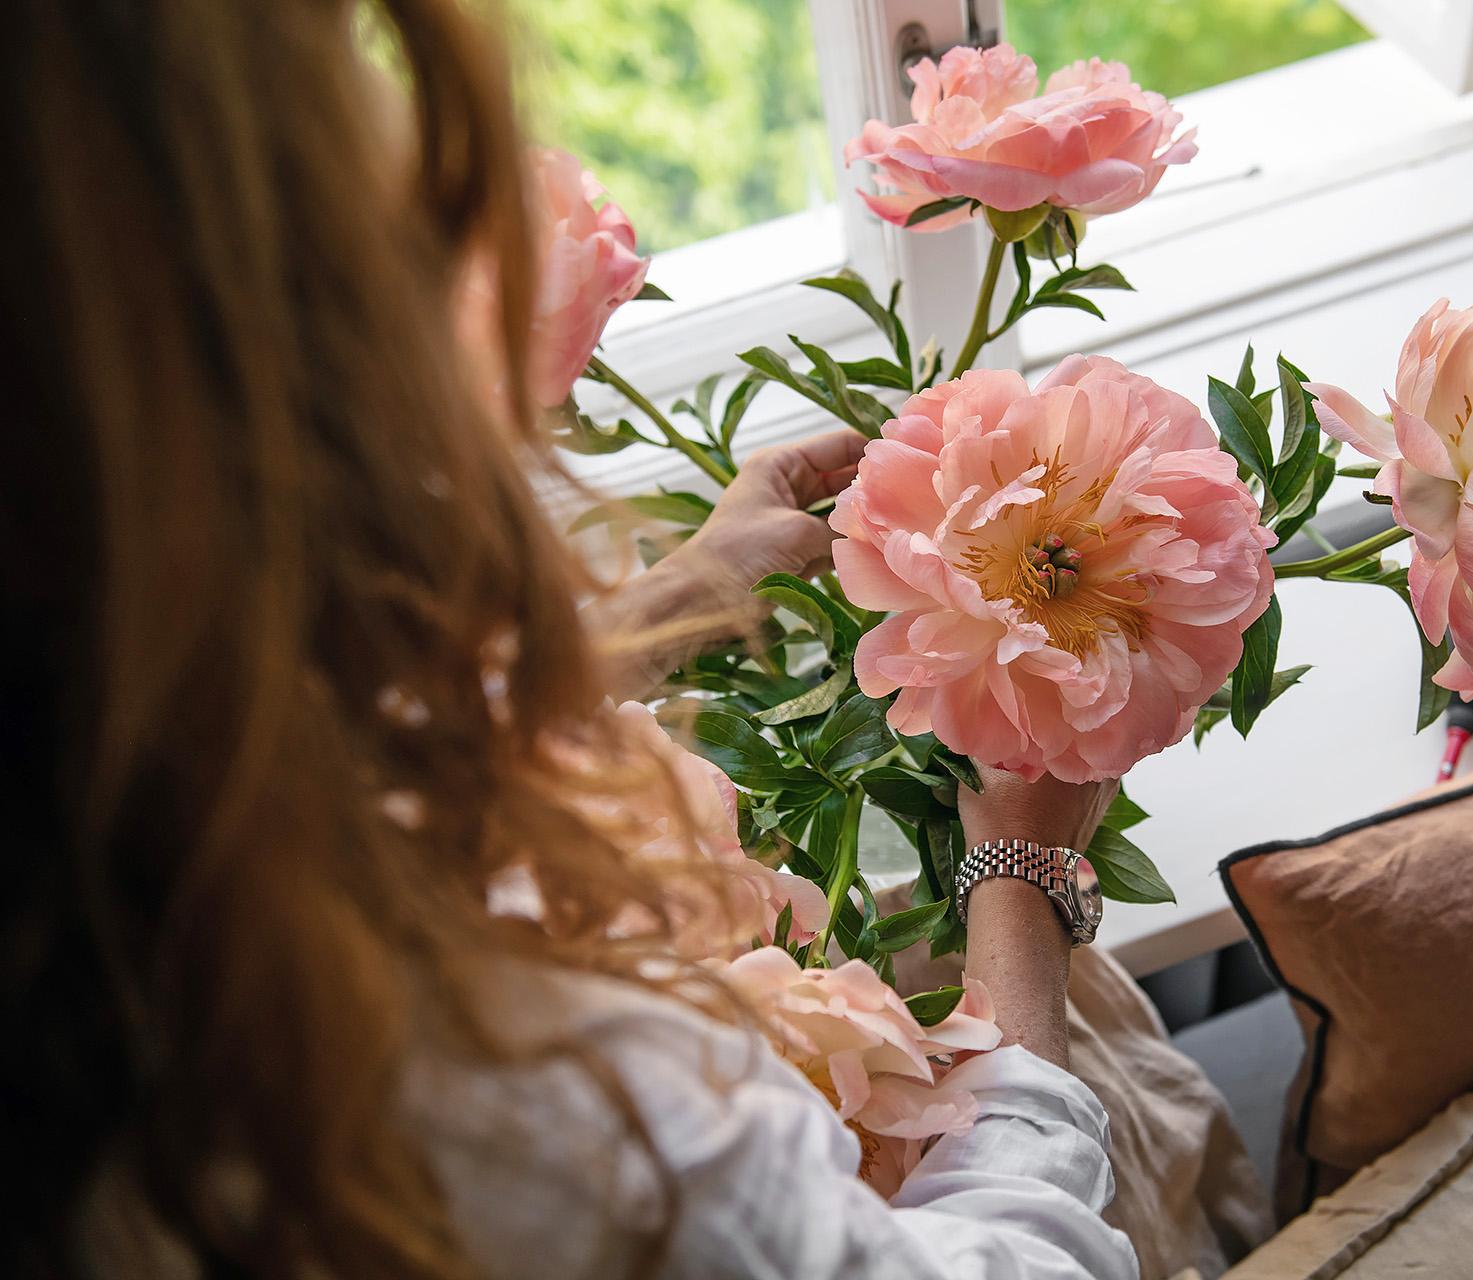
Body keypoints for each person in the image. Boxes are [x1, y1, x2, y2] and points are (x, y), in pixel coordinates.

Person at [1, 2, 1139, 1278]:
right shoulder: (538, 1106)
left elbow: (266, 756)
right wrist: (1025, 882)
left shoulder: (108, 863)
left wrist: (669, 607)